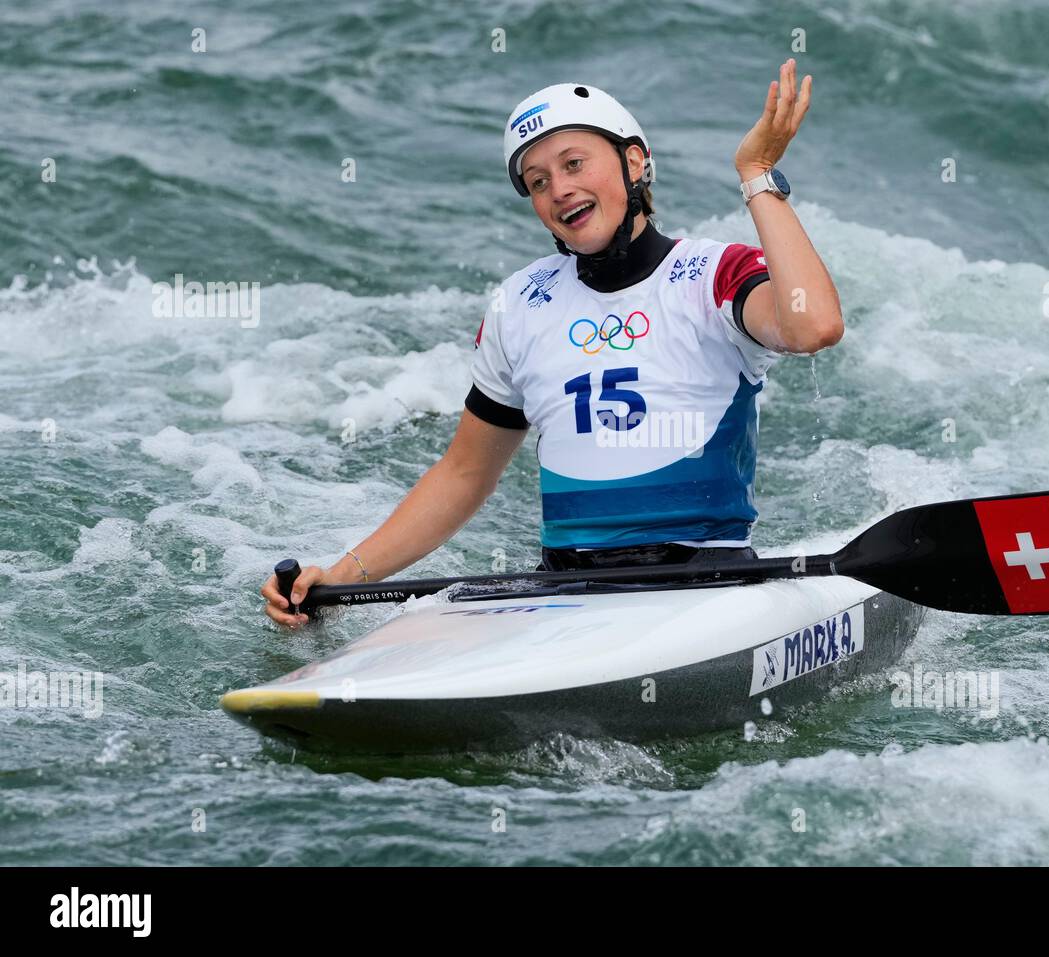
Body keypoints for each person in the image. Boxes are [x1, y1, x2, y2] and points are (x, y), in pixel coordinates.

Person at [263, 59, 843, 627]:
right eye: (539, 182)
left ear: (634, 162)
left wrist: (758, 172)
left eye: (574, 164)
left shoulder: (715, 274)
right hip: (564, 591)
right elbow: (464, 474)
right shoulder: (521, 304)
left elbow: (813, 326)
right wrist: (341, 579)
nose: (560, 189)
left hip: (704, 586)